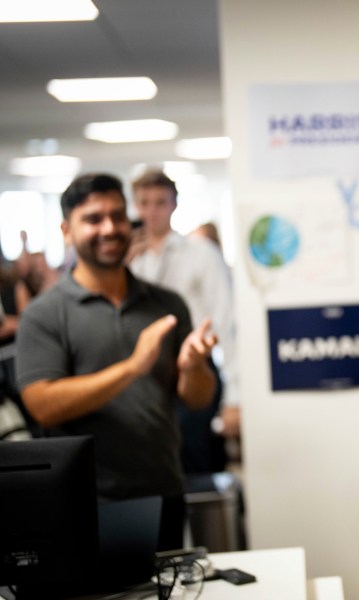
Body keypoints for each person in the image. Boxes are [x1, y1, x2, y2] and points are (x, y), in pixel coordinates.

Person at [15, 173, 218, 550]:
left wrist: (194, 368)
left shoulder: (166, 303)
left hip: (162, 490)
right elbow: (42, 405)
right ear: (66, 229)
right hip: (85, 501)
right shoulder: (45, 314)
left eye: (117, 216)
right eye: (93, 219)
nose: (109, 228)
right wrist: (131, 368)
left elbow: (197, 399)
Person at [128, 170, 239, 473]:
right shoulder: (128, 262)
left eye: (160, 202)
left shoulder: (200, 253)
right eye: (144, 203)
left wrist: (234, 396)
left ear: (173, 205)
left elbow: (226, 322)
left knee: (193, 461)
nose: (152, 211)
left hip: (195, 367)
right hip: (144, 375)